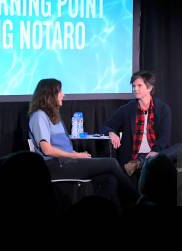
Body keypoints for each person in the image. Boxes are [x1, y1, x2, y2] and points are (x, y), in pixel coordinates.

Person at [28, 79, 137, 207]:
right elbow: (46, 150)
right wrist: (76, 156)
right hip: (54, 166)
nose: (63, 95)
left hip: (65, 162)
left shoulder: (53, 116)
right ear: (50, 95)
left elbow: (61, 146)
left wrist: (76, 153)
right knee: (112, 163)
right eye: (60, 91)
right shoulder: (39, 116)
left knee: (110, 178)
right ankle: (137, 200)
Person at [100, 70, 182, 179]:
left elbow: (165, 136)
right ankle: (141, 162)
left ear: (149, 88)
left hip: (155, 154)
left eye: (139, 85)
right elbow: (106, 126)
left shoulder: (163, 109)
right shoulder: (127, 109)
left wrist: (155, 151)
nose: (135, 89)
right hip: (133, 156)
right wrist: (111, 133)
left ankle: (141, 163)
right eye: (134, 86)